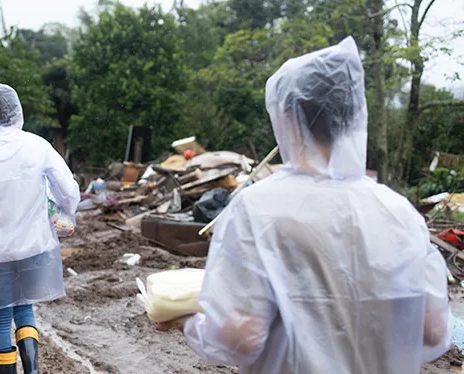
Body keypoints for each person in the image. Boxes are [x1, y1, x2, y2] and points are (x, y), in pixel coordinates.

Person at [156, 37, 452, 373]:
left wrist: (187, 321)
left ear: (286, 115)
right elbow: (433, 330)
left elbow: (241, 337)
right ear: (352, 115)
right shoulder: (399, 213)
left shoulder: (260, 209)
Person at [0, 83, 80, 374]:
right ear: (18, 112)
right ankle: (32, 371)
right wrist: (66, 213)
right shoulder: (38, 145)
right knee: (25, 305)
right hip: (35, 245)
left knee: (1, 315)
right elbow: (67, 190)